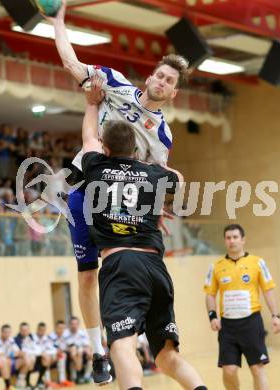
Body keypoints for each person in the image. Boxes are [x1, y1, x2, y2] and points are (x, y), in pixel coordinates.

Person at [46, 2, 189, 383]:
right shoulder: (114, 83)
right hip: (83, 185)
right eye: (159, 75)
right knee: (87, 274)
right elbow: (73, 65)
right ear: (150, 77)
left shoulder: (161, 135)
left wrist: (159, 204)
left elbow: (156, 174)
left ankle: (126, 338)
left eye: (169, 81)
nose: (161, 82)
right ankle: (98, 352)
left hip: (114, 202)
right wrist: (59, 22)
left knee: (118, 267)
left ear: (173, 93)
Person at [79, 79, 207, 390]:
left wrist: (92, 103)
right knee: (166, 356)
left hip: (121, 266)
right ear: (136, 150)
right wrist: (148, 168)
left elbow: (88, 139)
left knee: (122, 344)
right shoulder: (153, 174)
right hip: (156, 268)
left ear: (106, 148)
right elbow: (177, 177)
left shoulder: (96, 166)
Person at [204, 224, 280, 390]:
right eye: (228, 238)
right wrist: (212, 316)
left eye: (235, 237)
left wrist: (276, 316)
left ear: (243, 240)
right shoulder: (216, 266)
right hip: (227, 326)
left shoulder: (257, 262)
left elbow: (268, 290)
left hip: (251, 323)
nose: (232, 241)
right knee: (229, 370)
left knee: (257, 368)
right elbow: (210, 294)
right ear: (225, 241)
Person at [0, 324, 31, 389]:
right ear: (1, 332)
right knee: (5, 361)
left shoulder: (10, 340)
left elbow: (18, 352)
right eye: (5, 332)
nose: (7, 334)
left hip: (9, 362)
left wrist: (23, 355)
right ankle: (8, 386)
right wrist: (12, 354)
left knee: (26, 359)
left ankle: (20, 381)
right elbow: (1, 355)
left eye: (9, 332)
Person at [64, 317, 93, 384]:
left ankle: (86, 376)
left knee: (90, 354)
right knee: (75, 352)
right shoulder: (65, 334)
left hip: (81, 352)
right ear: (69, 325)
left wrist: (87, 351)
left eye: (76, 324)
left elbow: (87, 345)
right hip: (71, 355)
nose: (74, 326)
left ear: (78, 324)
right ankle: (79, 375)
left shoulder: (82, 333)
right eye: (72, 324)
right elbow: (64, 347)